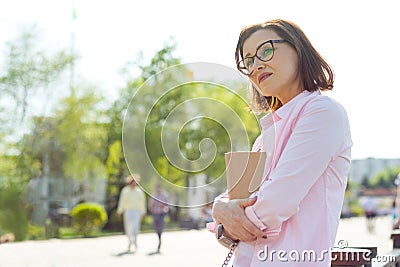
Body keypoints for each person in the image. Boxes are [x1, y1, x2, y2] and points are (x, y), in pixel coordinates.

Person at [211, 19, 352, 266]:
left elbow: (276, 202)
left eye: (266, 50)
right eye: (249, 61)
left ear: (297, 48)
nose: (256, 66)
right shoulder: (265, 136)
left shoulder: (323, 113)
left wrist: (227, 221)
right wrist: (219, 206)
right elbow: (237, 197)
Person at [117, 174, 146, 252]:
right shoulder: (125, 191)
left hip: (136, 211)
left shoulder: (139, 191)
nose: (134, 184)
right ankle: (130, 242)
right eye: (132, 182)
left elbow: (142, 203)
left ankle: (135, 242)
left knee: (135, 227)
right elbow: (122, 202)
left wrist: (143, 212)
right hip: (128, 211)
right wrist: (119, 212)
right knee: (128, 228)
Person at [148, 184, 170, 253]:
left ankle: (160, 239)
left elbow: (167, 205)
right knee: (156, 227)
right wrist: (152, 206)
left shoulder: (165, 195)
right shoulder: (153, 195)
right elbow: (150, 206)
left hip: (161, 214)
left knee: (160, 226)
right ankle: (159, 236)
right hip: (155, 213)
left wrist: (164, 208)